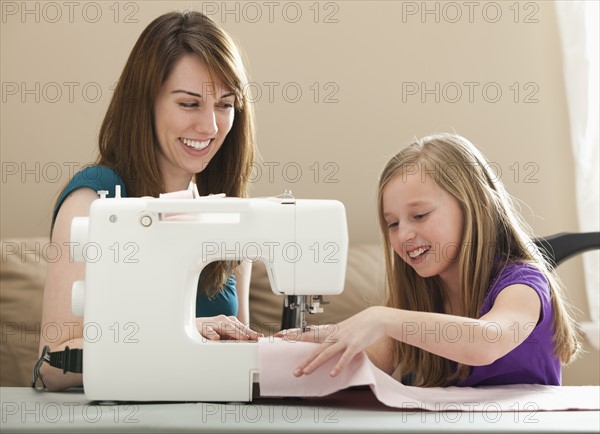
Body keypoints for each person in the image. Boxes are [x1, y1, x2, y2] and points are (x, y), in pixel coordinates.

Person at [38, 10, 261, 391]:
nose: (210, 126)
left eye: (225, 104)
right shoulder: (93, 201)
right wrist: (184, 335)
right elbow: (53, 363)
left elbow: (239, 355)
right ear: (145, 103)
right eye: (189, 104)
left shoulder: (227, 212)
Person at [284, 133, 581, 387]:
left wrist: (381, 318)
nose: (403, 235)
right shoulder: (420, 301)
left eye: (420, 215)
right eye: (392, 224)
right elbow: (363, 366)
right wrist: (297, 347)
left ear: (475, 205)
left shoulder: (522, 284)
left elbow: (487, 341)